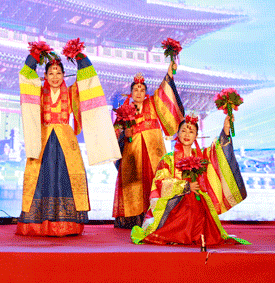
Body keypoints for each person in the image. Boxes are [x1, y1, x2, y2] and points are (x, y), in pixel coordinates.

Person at [17, 41, 120, 236]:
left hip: (66, 139)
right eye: (51, 73)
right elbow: (26, 74)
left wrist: (79, 55)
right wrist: (36, 55)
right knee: (42, 178)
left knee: (65, 178)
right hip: (44, 139)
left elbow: (88, 77)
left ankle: (66, 224)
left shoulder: (72, 92)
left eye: (58, 73)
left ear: (64, 75)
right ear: (45, 76)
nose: (55, 77)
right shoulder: (38, 91)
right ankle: (39, 223)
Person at [131, 114, 248, 246]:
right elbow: (160, 182)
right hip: (175, 200)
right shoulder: (168, 159)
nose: (187, 134)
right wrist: (185, 186)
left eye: (191, 131)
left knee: (197, 206)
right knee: (189, 205)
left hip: (198, 199)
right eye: (183, 131)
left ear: (196, 135)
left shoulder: (202, 156)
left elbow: (217, 153)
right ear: (178, 133)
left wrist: (225, 130)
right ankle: (179, 235)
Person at [112, 64, 184, 229]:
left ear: (146, 92)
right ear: (131, 92)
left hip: (153, 151)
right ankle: (134, 218)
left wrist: (169, 73)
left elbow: (163, 91)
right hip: (133, 152)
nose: (139, 93)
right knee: (134, 183)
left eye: (142, 90)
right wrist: (124, 134)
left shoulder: (153, 102)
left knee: (154, 179)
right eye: (136, 90)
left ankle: (157, 215)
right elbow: (116, 133)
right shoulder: (124, 109)